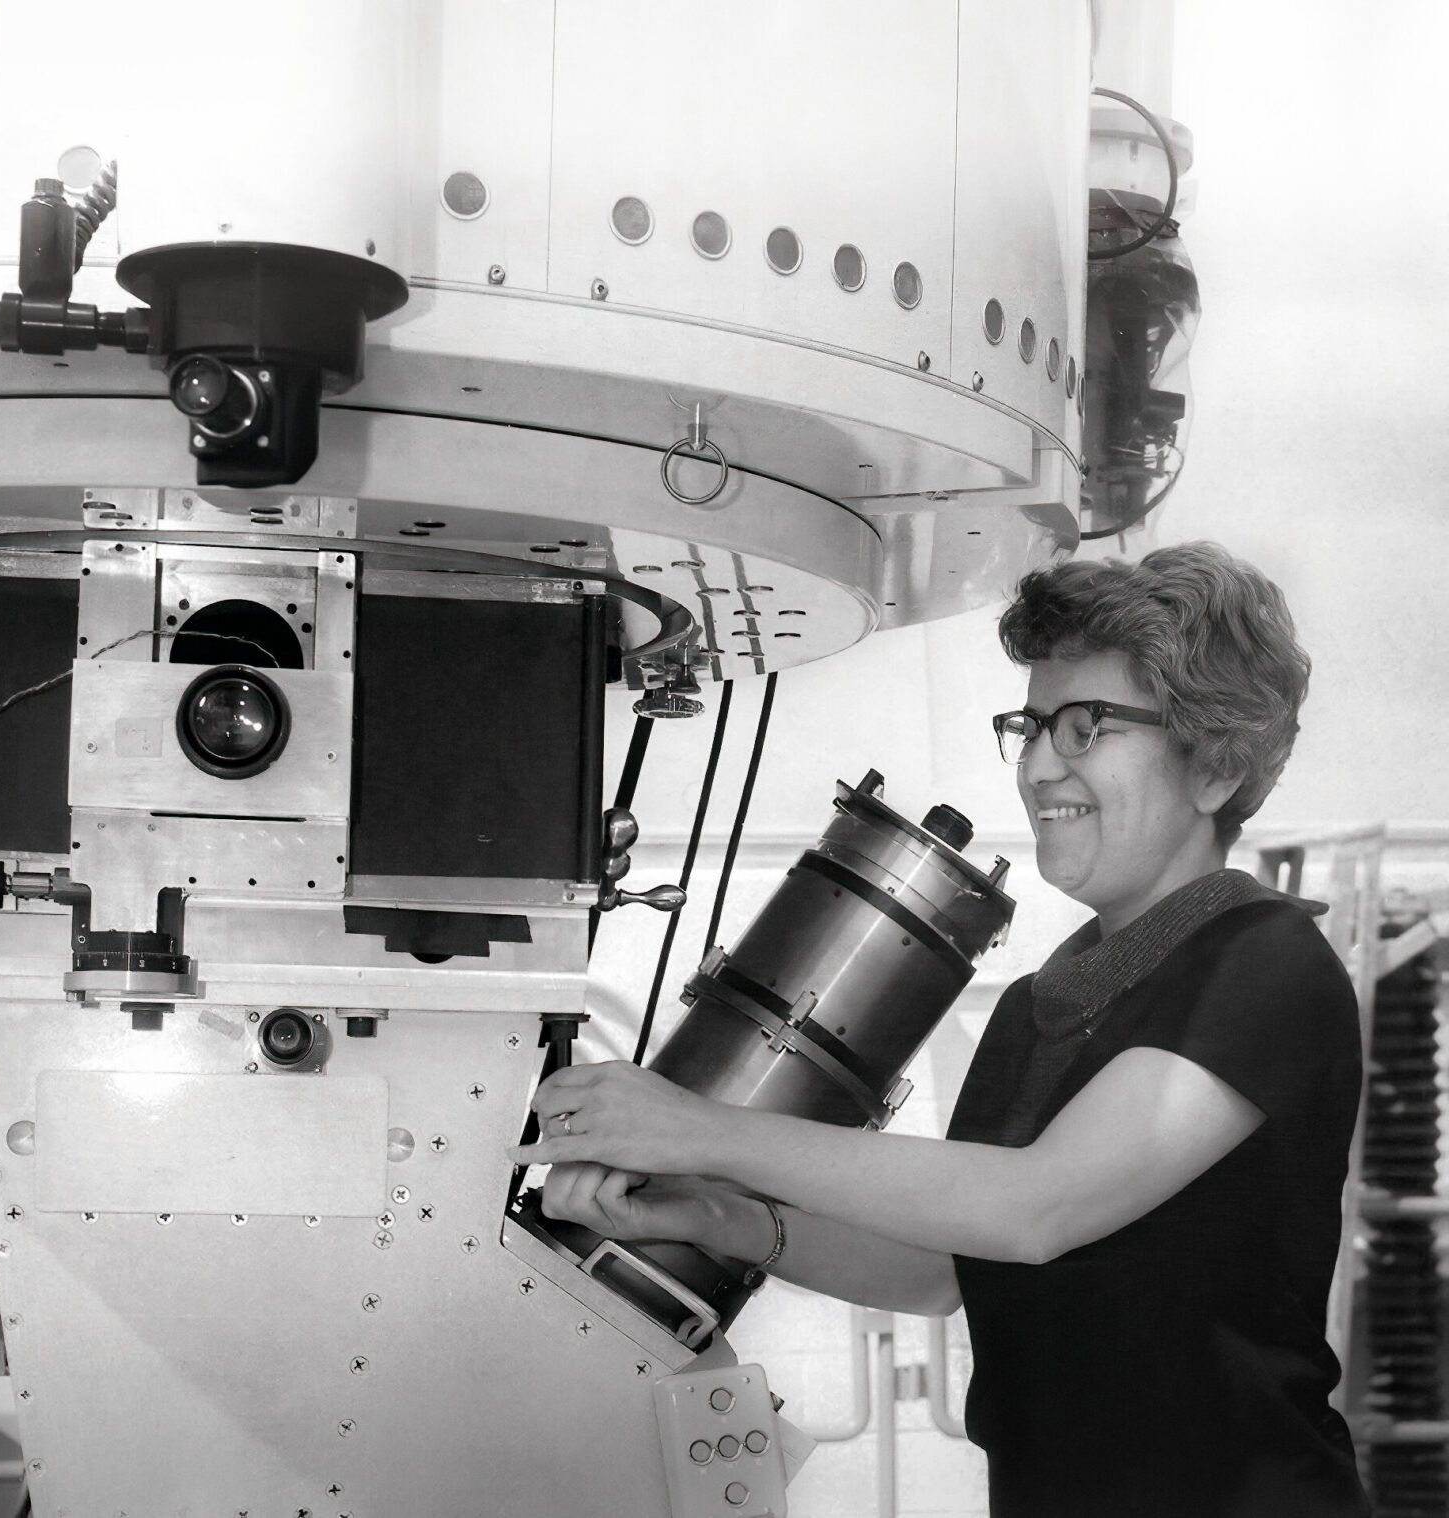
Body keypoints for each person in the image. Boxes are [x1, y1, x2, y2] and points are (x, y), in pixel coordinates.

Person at [511, 542, 1369, 1517]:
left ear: (1214, 762)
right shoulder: (1039, 1002)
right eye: (1032, 725)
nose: (1040, 764)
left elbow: (1034, 1209)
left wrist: (693, 1128)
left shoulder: (1261, 964)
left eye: (1086, 726)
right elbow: (943, 1270)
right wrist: (727, 1222)